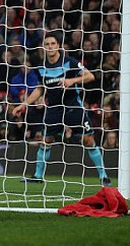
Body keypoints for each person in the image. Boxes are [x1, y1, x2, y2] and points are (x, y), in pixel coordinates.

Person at [13, 33, 111, 186]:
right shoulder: (41, 67)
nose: (50, 46)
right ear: (44, 47)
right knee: (46, 141)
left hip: (73, 106)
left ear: (58, 46)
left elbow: (90, 76)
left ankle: (103, 176)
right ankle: (38, 176)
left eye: (53, 43)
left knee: (88, 140)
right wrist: (24, 104)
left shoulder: (69, 62)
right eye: (47, 44)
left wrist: (73, 80)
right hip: (54, 109)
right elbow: (40, 89)